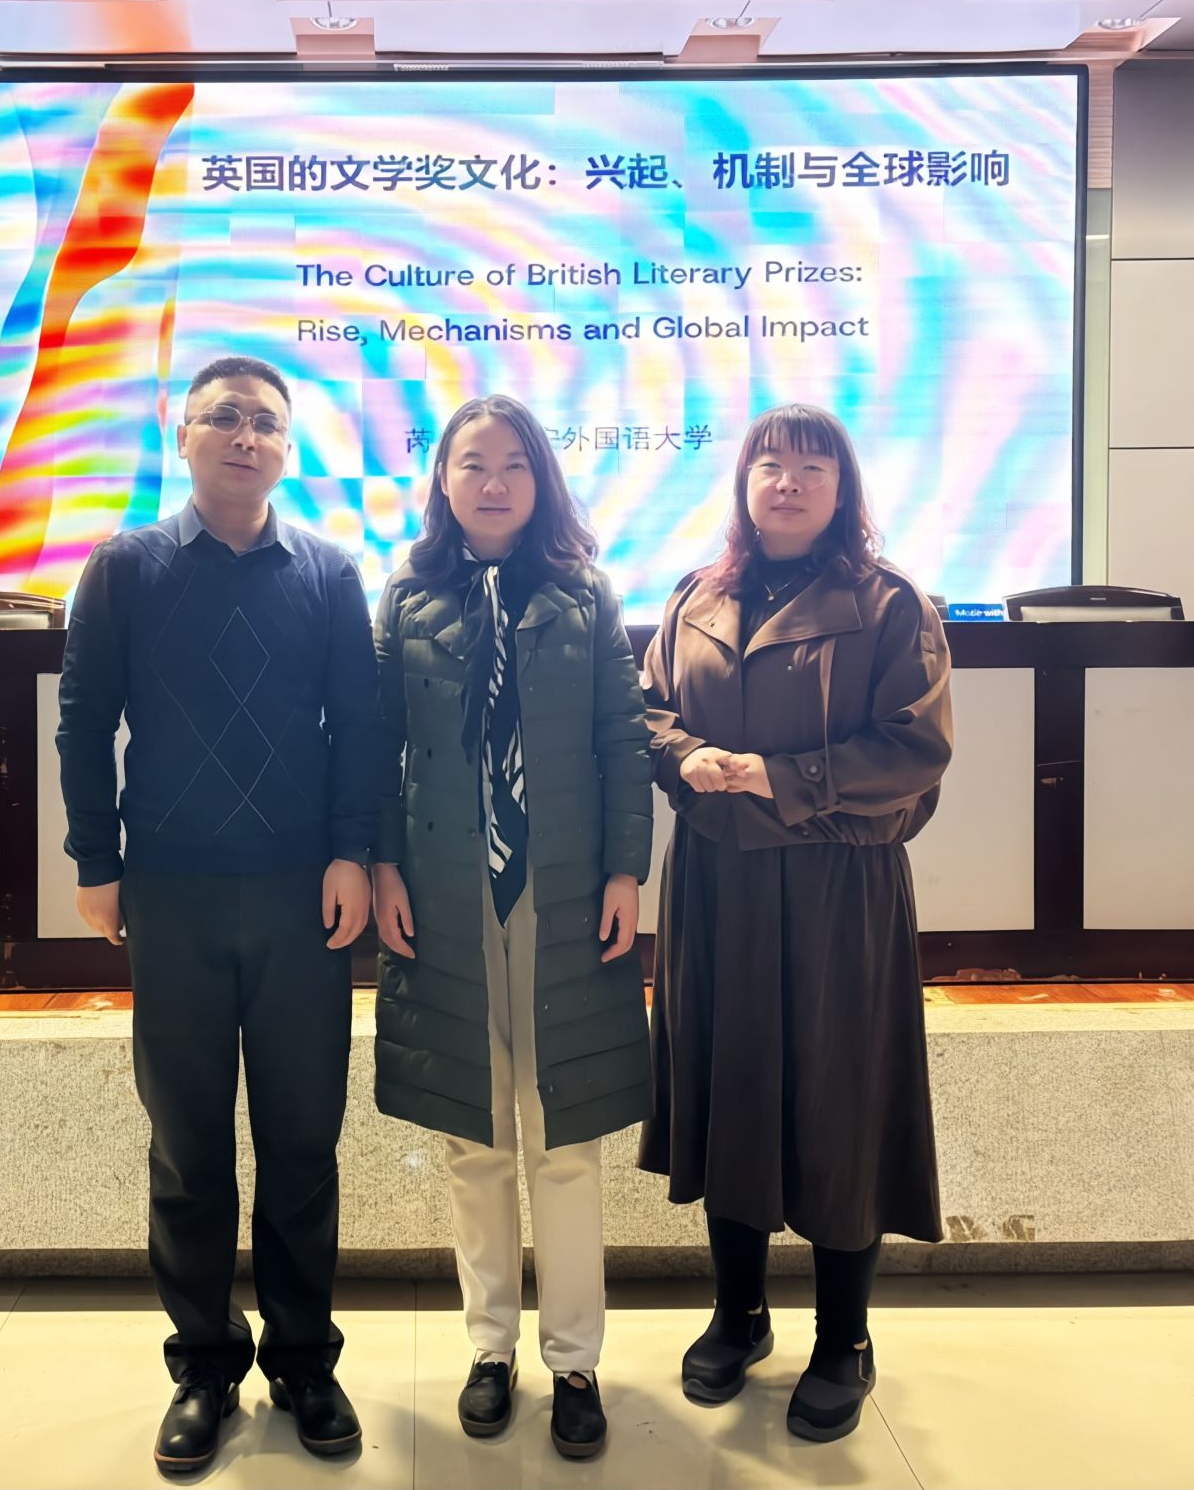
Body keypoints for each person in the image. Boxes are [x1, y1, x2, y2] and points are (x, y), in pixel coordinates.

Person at [57, 356, 381, 1475]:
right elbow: (83, 718)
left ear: (287, 449)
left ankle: (303, 1359)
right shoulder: (125, 566)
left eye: (267, 424)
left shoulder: (328, 571)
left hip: (301, 897)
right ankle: (202, 1365)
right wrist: (95, 860)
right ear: (183, 432)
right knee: (188, 1143)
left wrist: (351, 851)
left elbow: (359, 726)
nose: (247, 437)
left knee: (302, 1139)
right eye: (226, 418)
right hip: (173, 892)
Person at [639, 402, 952, 1443]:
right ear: (742, 481)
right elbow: (644, 709)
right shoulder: (695, 595)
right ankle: (737, 1313)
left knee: (837, 1100)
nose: (787, 481)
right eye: (769, 463)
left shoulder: (890, 603)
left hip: (836, 887)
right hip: (716, 883)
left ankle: (842, 1337)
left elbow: (913, 750)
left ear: (842, 487)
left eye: (812, 467)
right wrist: (685, 753)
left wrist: (781, 777)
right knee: (727, 1087)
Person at [370, 394, 653, 1461]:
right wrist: (383, 863)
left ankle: (574, 1358)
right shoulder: (405, 594)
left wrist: (626, 868)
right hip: (443, 891)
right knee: (474, 1133)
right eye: (471, 462)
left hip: (564, 887)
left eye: (513, 464)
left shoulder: (585, 592)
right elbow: (376, 744)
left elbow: (622, 737)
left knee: (565, 1134)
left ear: (541, 480)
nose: (492, 482)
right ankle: (488, 1347)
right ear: (441, 478)